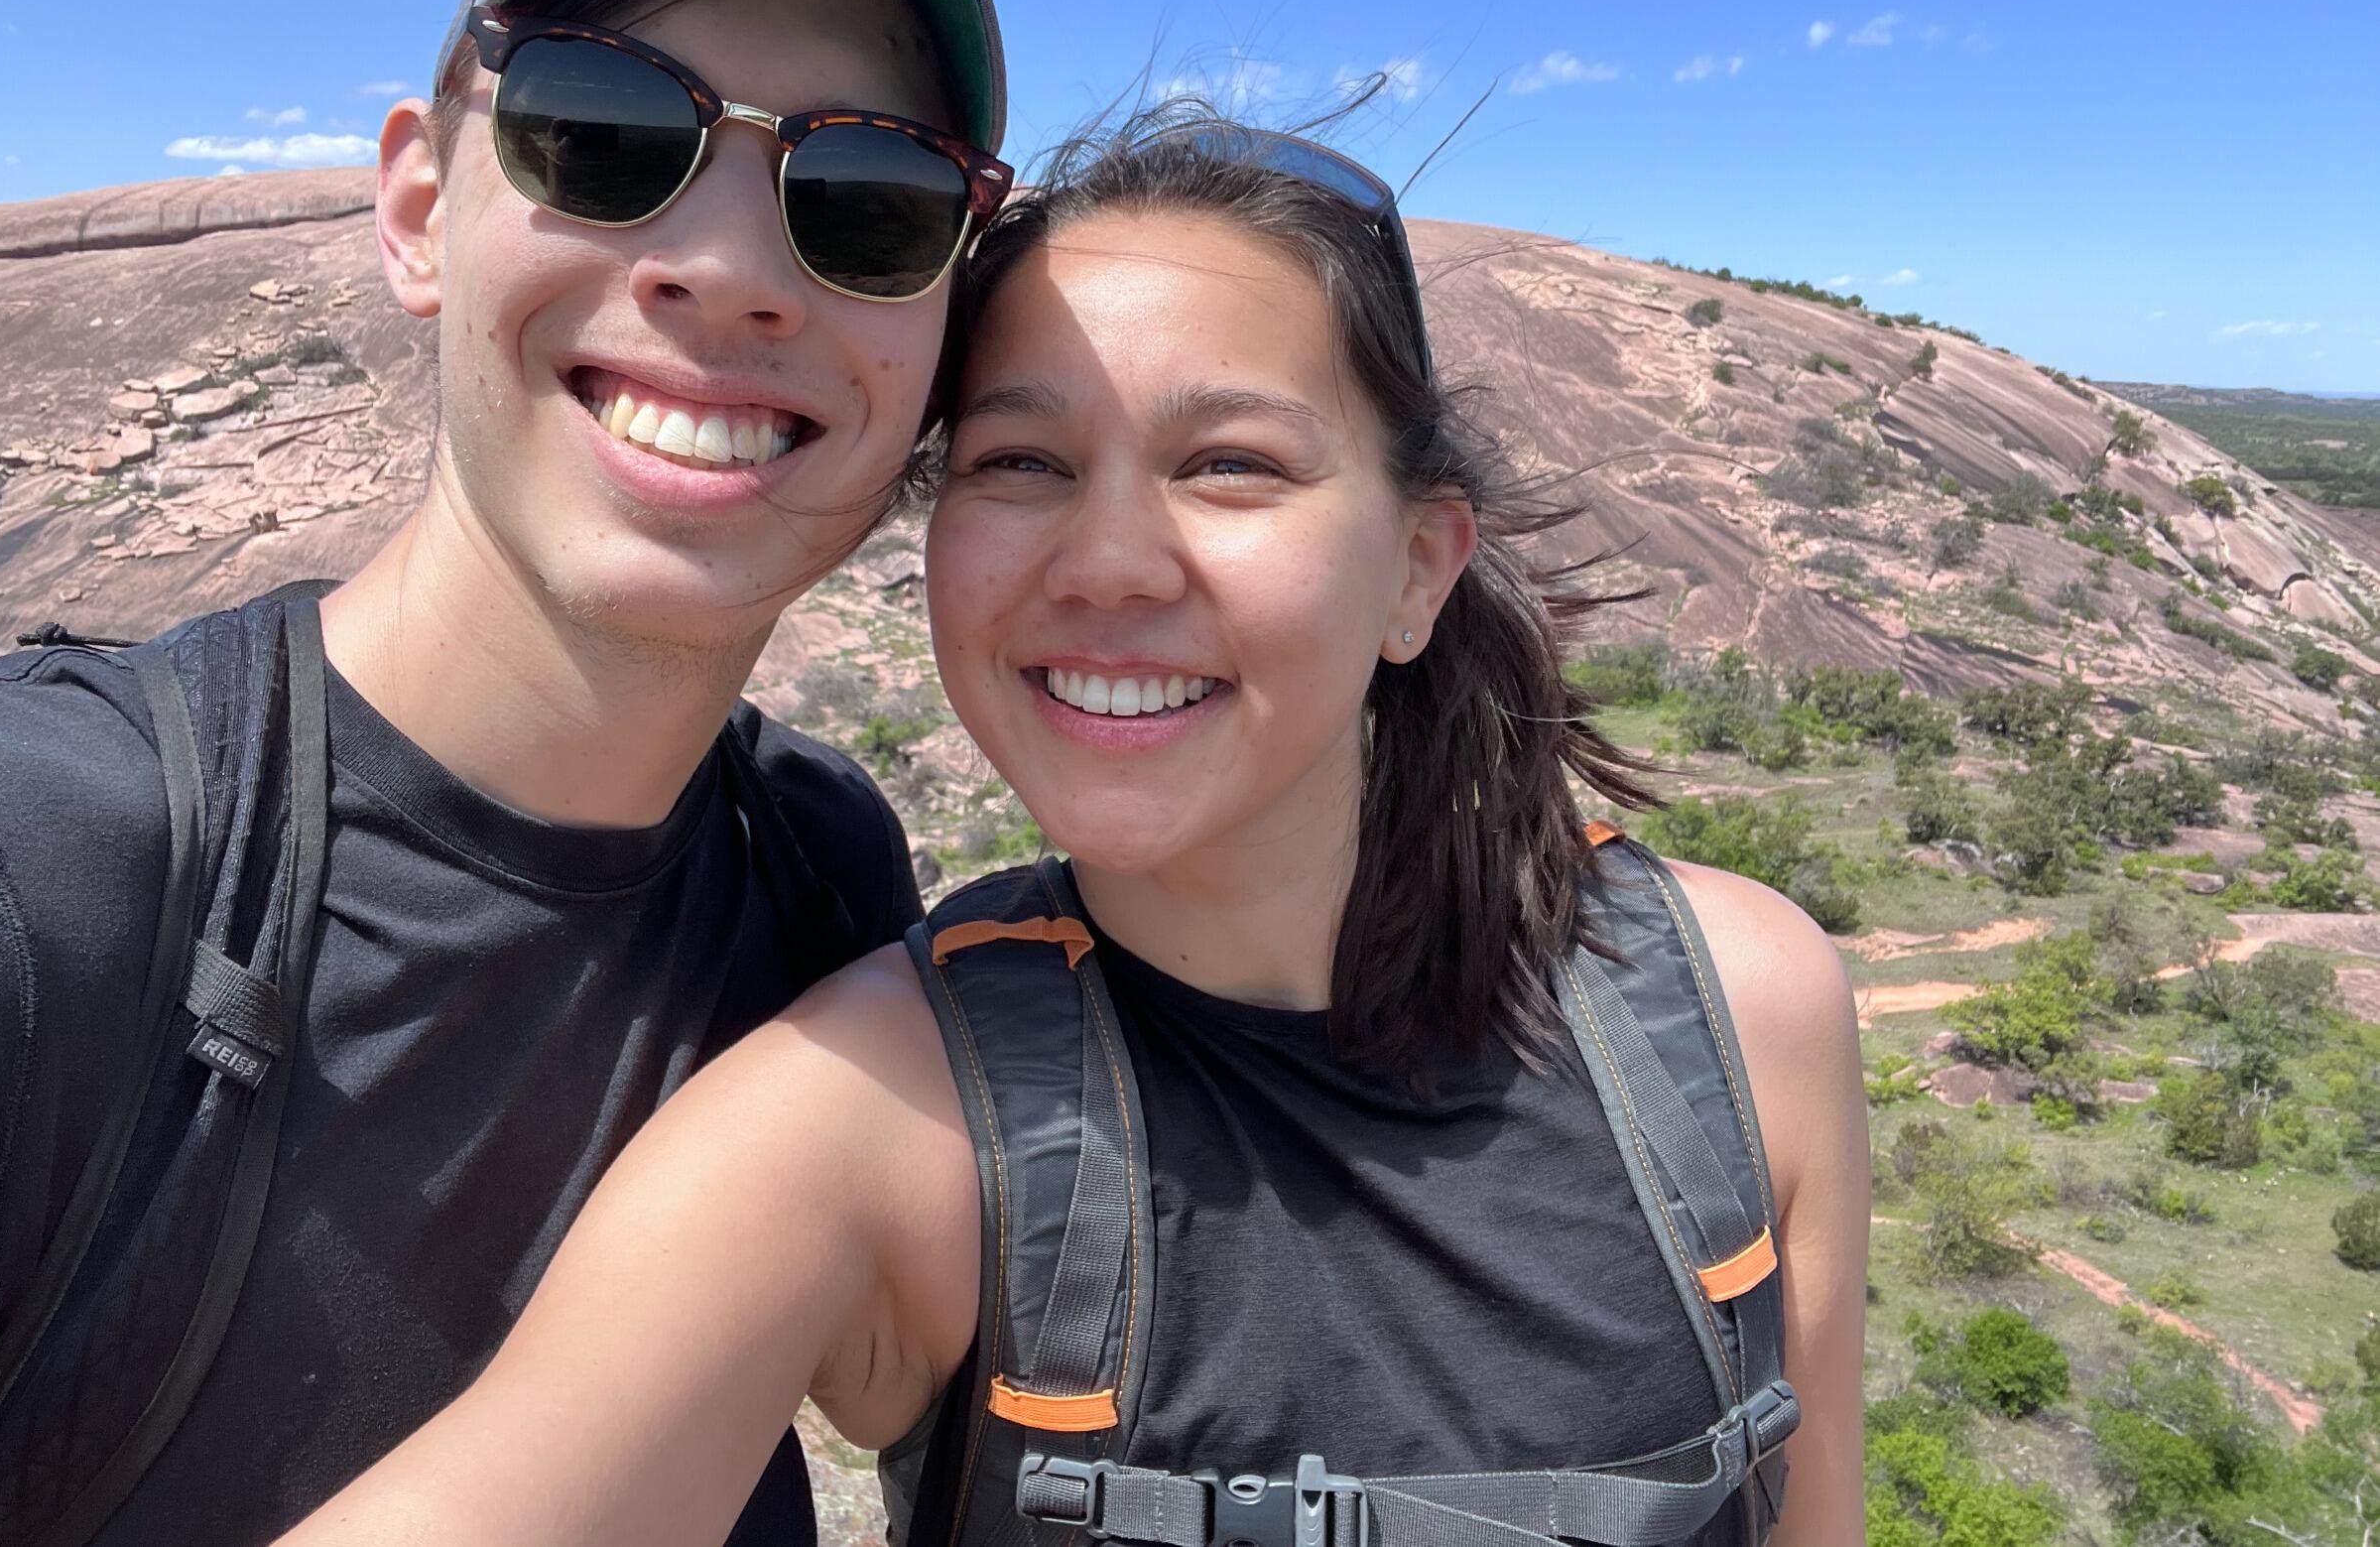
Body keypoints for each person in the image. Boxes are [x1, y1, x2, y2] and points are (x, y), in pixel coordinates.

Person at [279, 106, 1871, 1547]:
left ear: (1417, 570)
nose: (1109, 561)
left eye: (1230, 463)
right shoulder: (864, 1130)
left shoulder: (1730, 1017)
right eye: (1022, 460)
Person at [0, 0, 1011, 1547]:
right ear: (419, 208)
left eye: (866, 196)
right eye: (602, 123)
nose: (728, 272)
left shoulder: (817, 877)